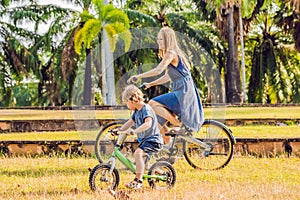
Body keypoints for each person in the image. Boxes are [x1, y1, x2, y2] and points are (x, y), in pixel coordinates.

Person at [127, 26, 204, 145]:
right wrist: (151, 84)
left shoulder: (171, 53)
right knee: (157, 121)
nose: (158, 42)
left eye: (161, 39)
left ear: (168, 40)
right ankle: (168, 146)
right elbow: (167, 77)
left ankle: (180, 125)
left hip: (183, 92)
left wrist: (139, 76)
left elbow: (159, 70)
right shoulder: (172, 54)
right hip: (181, 90)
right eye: (158, 39)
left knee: (152, 103)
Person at [118, 84, 163, 190]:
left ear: (133, 99)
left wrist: (134, 131)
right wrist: (120, 130)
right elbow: (129, 122)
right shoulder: (136, 111)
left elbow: (148, 124)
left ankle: (138, 181)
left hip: (153, 140)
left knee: (138, 153)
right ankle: (164, 175)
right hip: (145, 141)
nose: (126, 105)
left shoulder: (146, 109)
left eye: (126, 102)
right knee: (145, 165)